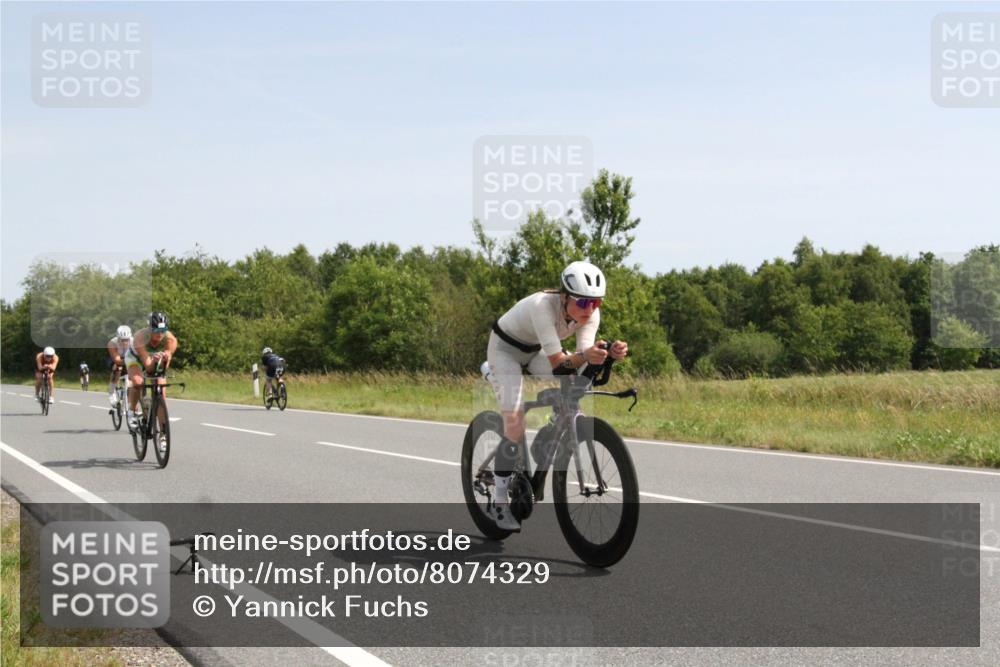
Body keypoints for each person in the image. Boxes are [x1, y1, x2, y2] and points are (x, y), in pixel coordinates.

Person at [483, 261, 628, 531]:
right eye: (583, 303)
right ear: (564, 297)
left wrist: (607, 355)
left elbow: (579, 362)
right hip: (505, 350)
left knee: (571, 383)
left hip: (535, 350)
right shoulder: (542, 307)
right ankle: (500, 501)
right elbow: (561, 362)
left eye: (596, 303)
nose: (590, 309)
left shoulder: (590, 315)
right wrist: (584, 356)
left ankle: (554, 426)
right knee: (514, 423)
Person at [125, 313, 178, 451]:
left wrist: (165, 359)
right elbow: (148, 368)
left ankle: (163, 436)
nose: (160, 335)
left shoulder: (170, 339)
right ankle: (132, 410)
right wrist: (153, 360)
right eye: (156, 331)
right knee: (138, 381)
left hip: (154, 359)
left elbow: (162, 369)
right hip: (135, 358)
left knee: (160, 392)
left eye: (162, 331)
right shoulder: (140, 337)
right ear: (150, 329)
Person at [106, 325, 132, 406]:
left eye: (126, 340)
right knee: (118, 367)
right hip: (116, 358)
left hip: (129, 358)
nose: (125, 342)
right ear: (118, 338)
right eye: (122, 340)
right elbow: (117, 360)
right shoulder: (112, 343)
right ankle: (111, 391)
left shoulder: (134, 342)